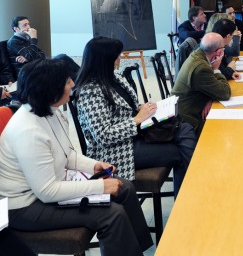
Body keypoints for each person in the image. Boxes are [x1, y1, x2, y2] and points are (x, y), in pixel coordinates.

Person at [0, 59, 153, 255]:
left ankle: (138, 250)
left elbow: (67, 153)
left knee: (125, 188)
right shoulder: (28, 131)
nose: (73, 84)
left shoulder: (49, 111)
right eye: (67, 81)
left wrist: (94, 165)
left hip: (46, 188)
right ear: (50, 89)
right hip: (23, 206)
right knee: (112, 214)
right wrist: (100, 186)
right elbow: (47, 191)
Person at [74, 37, 197, 197]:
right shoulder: (90, 90)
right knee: (180, 151)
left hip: (136, 135)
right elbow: (103, 136)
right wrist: (137, 119)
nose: (120, 58)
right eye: (116, 55)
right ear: (104, 60)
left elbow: (128, 107)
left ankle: (190, 192)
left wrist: (143, 109)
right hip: (114, 150)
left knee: (185, 128)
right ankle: (190, 194)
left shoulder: (115, 77)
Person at [172, 33, 232, 133]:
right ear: (219, 52)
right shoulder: (201, 68)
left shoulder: (198, 54)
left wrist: (211, 98)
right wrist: (216, 69)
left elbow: (209, 85)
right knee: (226, 128)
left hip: (185, 110)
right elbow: (225, 93)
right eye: (223, 49)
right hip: (186, 120)